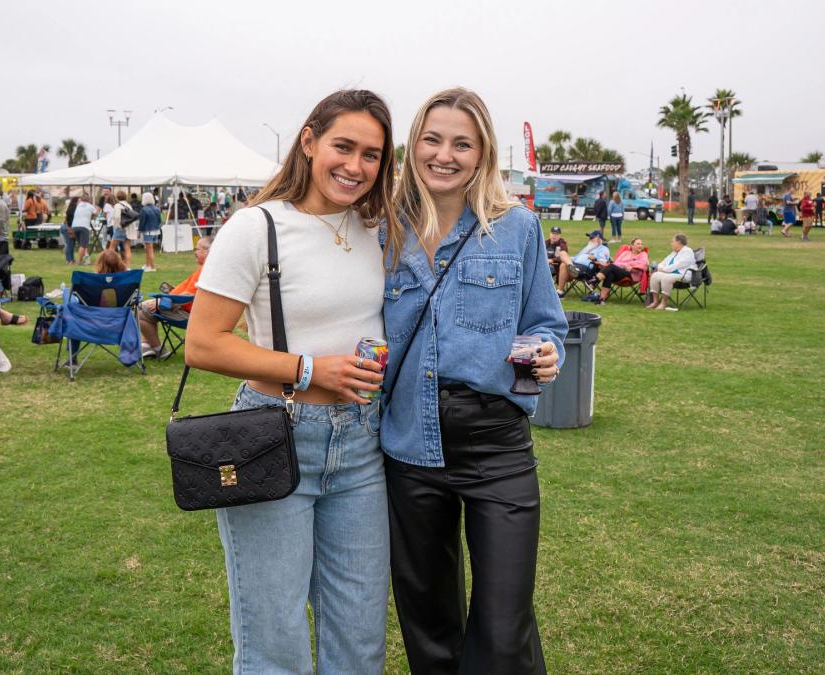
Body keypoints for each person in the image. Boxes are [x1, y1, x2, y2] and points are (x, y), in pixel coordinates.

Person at [184, 89, 399, 674]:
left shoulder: (377, 228)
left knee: (359, 634)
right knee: (273, 635)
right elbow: (203, 342)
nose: (355, 167)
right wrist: (307, 368)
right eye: (343, 147)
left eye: (372, 155)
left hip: (360, 443)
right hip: (275, 436)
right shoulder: (257, 227)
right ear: (309, 141)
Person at [382, 87, 566, 675]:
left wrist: (547, 352)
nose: (445, 154)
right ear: (414, 145)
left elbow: (545, 323)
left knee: (502, 622)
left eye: (462, 143)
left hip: (497, 447)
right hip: (410, 443)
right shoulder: (382, 228)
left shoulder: (518, 229)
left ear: (483, 152)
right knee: (429, 620)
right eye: (433, 139)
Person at [139, 236, 211, 358]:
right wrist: (173, 291)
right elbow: (190, 291)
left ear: (208, 251)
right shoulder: (207, 269)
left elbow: (188, 295)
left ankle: (159, 351)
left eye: (197, 249)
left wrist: (163, 302)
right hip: (183, 307)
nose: (195, 252)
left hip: (187, 313)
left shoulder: (205, 271)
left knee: (142, 309)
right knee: (143, 307)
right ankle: (147, 346)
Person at [587, 236, 649, 305]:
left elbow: (643, 265)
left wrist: (631, 266)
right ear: (632, 245)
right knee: (610, 273)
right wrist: (625, 265)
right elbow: (617, 263)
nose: (640, 245)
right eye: (638, 244)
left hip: (632, 275)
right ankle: (601, 299)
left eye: (641, 244)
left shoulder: (643, 254)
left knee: (611, 266)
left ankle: (594, 280)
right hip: (620, 272)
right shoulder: (625, 253)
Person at [647, 233, 696, 310]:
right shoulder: (674, 253)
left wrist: (664, 270)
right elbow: (663, 262)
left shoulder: (688, 252)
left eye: (673, 241)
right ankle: (655, 301)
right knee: (654, 276)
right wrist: (659, 268)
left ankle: (663, 303)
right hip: (670, 273)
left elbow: (678, 265)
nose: (671, 243)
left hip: (683, 275)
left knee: (667, 278)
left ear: (678, 242)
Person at [555, 229, 610, 297]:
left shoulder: (604, 249)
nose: (590, 239)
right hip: (575, 266)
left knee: (564, 264)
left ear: (599, 239)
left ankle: (560, 290)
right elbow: (575, 258)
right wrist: (566, 258)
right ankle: (560, 291)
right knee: (562, 254)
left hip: (586, 270)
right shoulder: (587, 248)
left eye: (592, 238)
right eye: (589, 238)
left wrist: (595, 259)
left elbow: (604, 264)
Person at [109, 191, 138, 267]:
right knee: (127, 248)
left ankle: (109, 264)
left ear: (117, 197)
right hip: (129, 229)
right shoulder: (129, 205)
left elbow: (117, 217)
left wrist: (117, 226)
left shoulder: (117, 206)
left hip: (121, 228)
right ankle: (127, 266)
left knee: (111, 248)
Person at [71, 193, 99, 265]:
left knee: (82, 245)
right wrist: (98, 209)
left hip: (74, 226)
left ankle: (86, 260)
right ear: (88, 199)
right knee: (83, 245)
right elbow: (96, 214)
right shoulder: (90, 206)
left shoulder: (78, 205)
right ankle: (78, 262)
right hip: (84, 226)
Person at [137, 192, 161, 272]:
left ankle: (152, 267)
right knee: (148, 249)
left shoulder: (143, 210)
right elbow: (159, 220)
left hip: (148, 231)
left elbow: (142, 223)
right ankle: (147, 265)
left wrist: (139, 232)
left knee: (149, 249)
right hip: (156, 231)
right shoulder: (157, 209)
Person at [61, 196, 79, 264]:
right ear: (76, 201)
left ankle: (71, 259)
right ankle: (68, 260)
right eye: (79, 200)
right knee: (69, 244)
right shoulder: (73, 209)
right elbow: (69, 221)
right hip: (67, 228)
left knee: (71, 244)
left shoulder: (72, 208)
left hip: (67, 227)